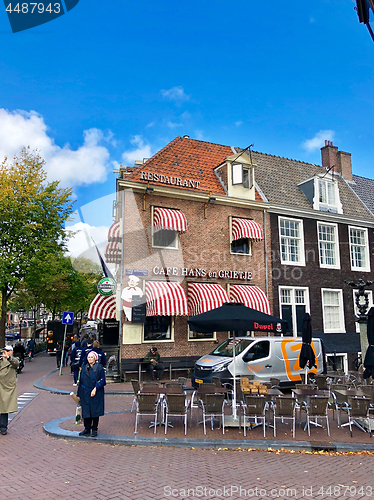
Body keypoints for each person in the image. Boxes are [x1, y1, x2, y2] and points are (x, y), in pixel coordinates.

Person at [77, 351, 106, 437]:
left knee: (95, 411)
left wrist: (95, 388)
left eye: (91, 357)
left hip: (95, 393)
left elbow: (103, 380)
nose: (90, 359)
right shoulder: (84, 368)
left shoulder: (99, 368)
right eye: (88, 357)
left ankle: (94, 429)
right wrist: (79, 394)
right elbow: (80, 382)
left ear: (95, 358)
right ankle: (87, 428)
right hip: (85, 393)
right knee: (86, 411)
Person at [0, 345, 19, 435]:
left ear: (11, 352)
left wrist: (8, 358)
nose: (5, 352)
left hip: (7, 387)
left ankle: (3, 427)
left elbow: (16, 363)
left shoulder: (13, 360)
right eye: (4, 350)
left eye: (7, 350)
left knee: (4, 408)